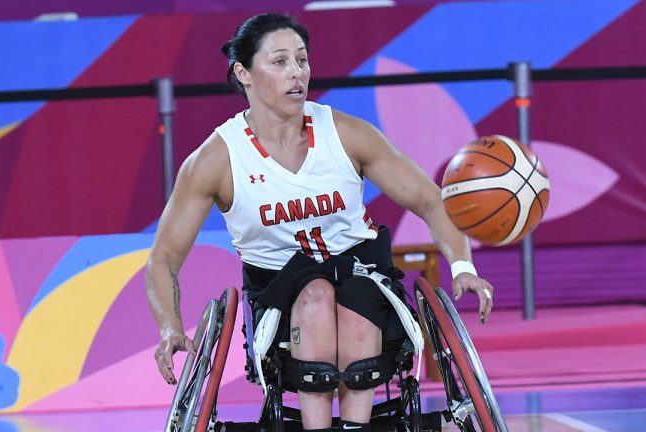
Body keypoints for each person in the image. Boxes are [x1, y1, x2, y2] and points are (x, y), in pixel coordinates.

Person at [146, 13, 494, 432]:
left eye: (302, 60)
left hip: (363, 272)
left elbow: (431, 201)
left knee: (356, 299)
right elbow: (163, 258)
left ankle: (354, 426)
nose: (297, 73)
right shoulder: (216, 159)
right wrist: (171, 326)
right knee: (313, 296)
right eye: (280, 62)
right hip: (279, 289)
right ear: (244, 73)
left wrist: (463, 266)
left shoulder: (345, 134)